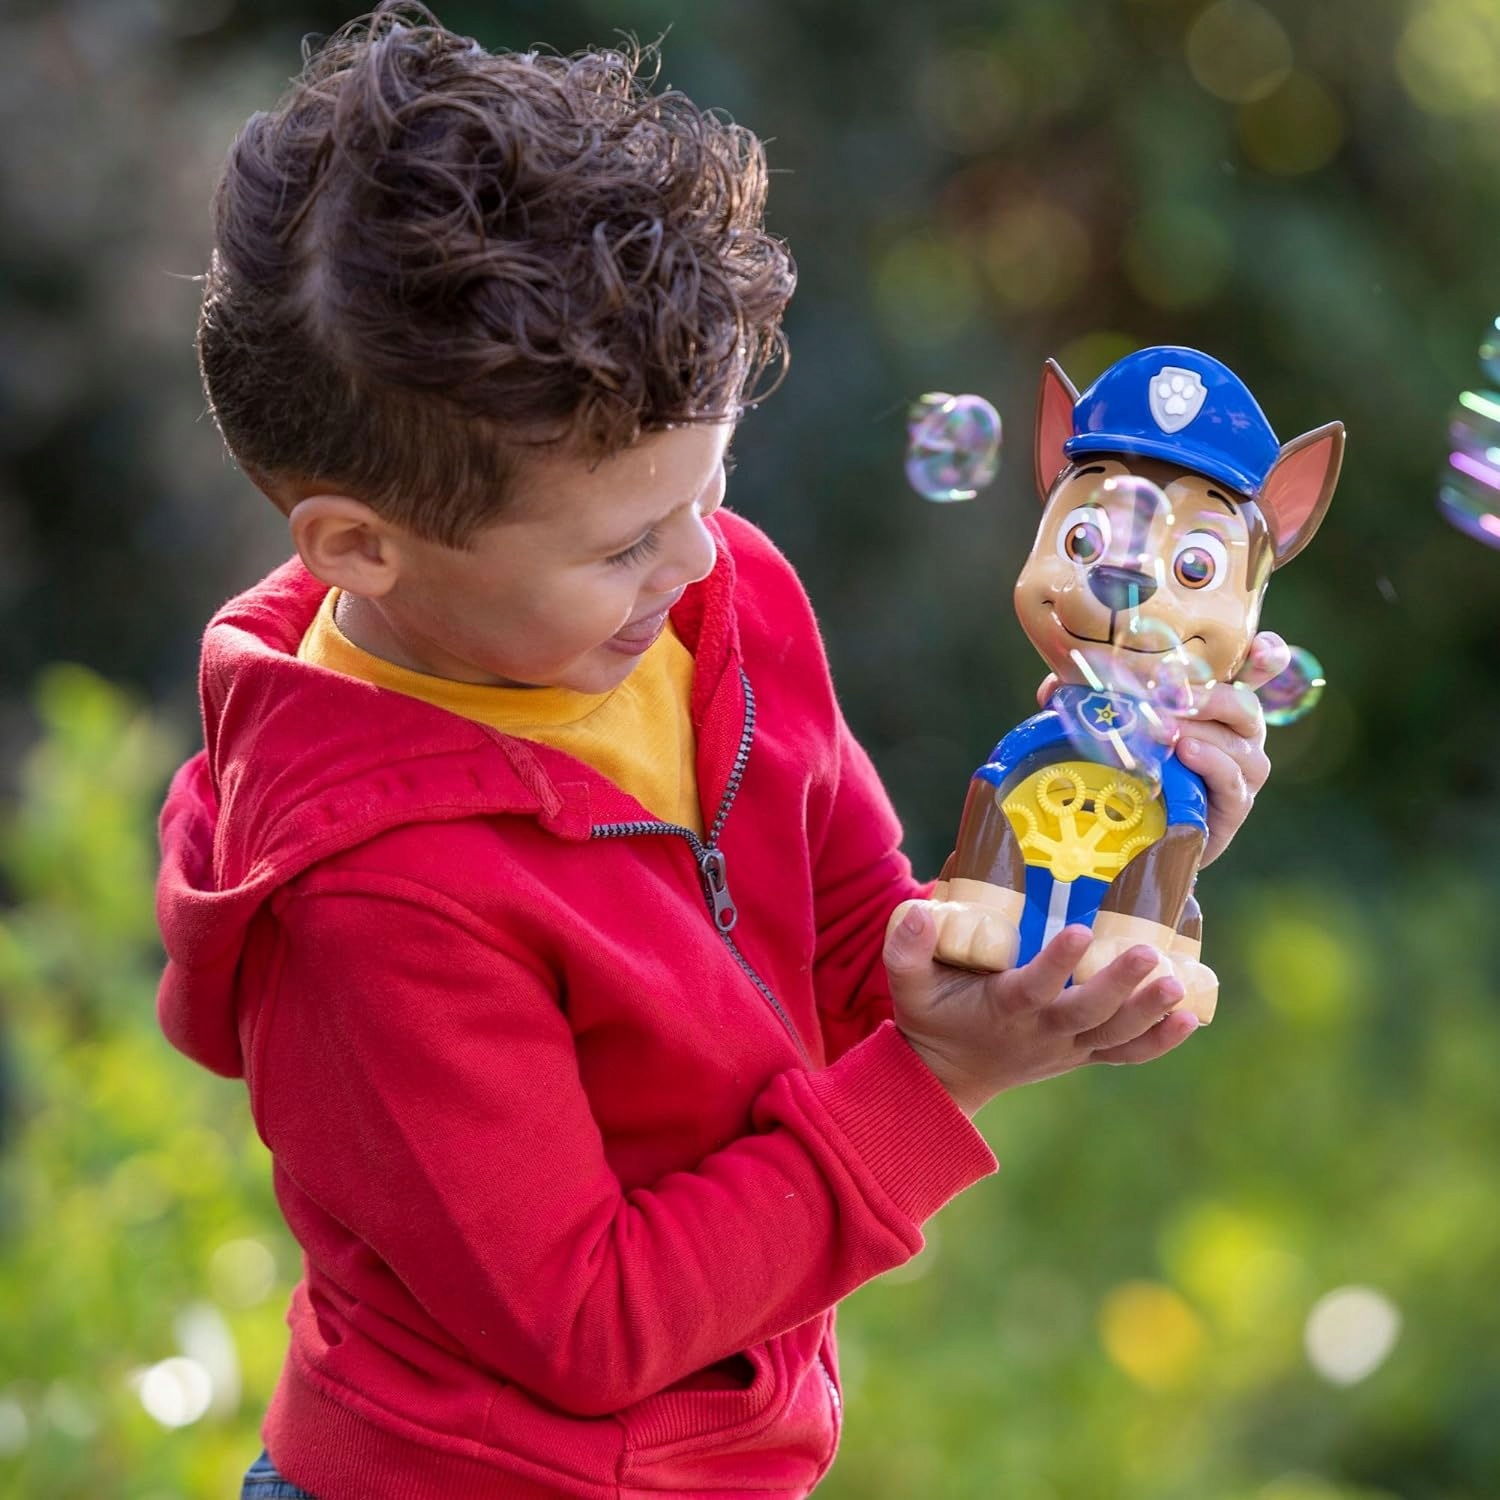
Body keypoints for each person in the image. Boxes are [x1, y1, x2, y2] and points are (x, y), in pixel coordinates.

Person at [155, 7, 1282, 1497]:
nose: (699, 561)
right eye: (626, 540)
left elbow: (855, 957)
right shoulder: (374, 893)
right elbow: (593, 1315)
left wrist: (1095, 863)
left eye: (714, 481)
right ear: (362, 547)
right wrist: (939, 1085)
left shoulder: (716, 605)